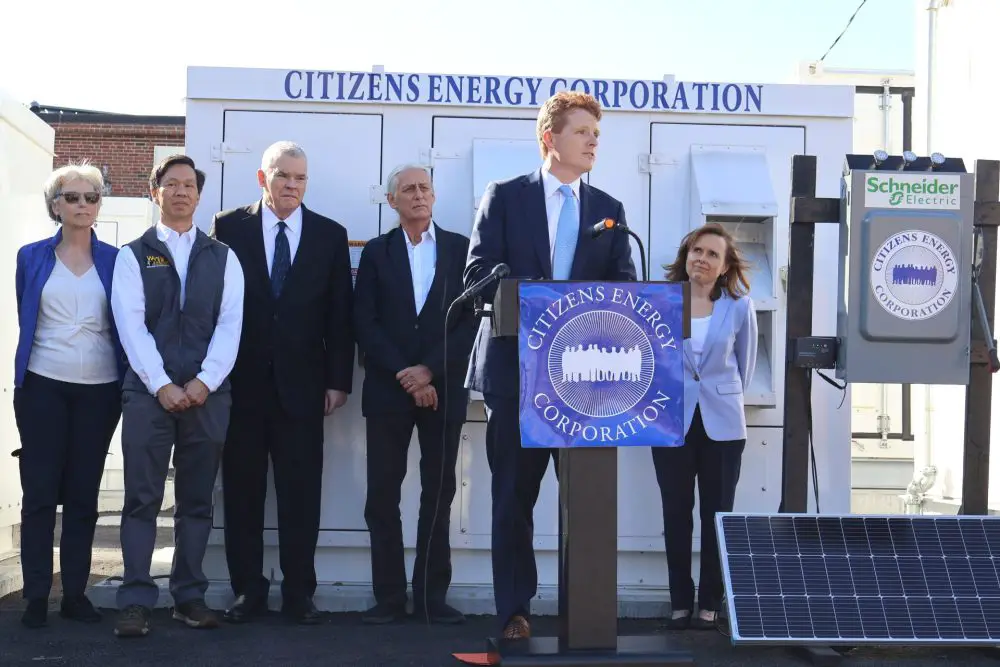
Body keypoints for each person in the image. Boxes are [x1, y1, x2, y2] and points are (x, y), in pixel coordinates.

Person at [464, 91, 636, 639]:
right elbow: (477, 276)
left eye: (596, 134)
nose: (592, 141)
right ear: (550, 138)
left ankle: (579, 611)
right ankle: (514, 610)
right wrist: (529, 292)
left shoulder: (609, 210)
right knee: (513, 497)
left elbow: (625, 288)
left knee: (583, 502)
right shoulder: (505, 197)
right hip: (517, 376)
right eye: (582, 131)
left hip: (585, 383)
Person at [212, 141, 355, 625]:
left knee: (300, 496)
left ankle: (300, 593)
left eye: (300, 178)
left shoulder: (330, 236)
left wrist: (338, 380)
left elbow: (340, 315)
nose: (292, 185)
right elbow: (215, 306)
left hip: (304, 389)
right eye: (283, 177)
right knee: (242, 494)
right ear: (262, 178)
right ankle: (247, 592)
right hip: (240, 388)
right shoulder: (228, 227)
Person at [111, 155, 245, 638]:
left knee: (195, 502)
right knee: (141, 499)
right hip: (149, 396)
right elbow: (131, 325)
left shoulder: (223, 257)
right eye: (172, 184)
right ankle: (135, 600)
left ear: (199, 195)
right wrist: (162, 384)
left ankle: (189, 597)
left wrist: (204, 382)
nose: (181, 191)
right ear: (155, 192)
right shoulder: (134, 254)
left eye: (189, 185)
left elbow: (230, 327)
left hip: (208, 396)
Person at [353, 164, 477, 626]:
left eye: (425, 188)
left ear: (434, 195)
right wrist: (406, 374)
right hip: (388, 390)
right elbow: (365, 322)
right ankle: (387, 599)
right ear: (392, 201)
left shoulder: (461, 251)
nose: (419, 195)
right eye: (409, 189)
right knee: (382, 496)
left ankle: (430, 598)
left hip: (443, 391)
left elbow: (468, 323)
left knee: (438, 493)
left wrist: (429, 371)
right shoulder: (376, 254)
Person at [13, 163, 125, 629]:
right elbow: (26, 312)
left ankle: (75, 594)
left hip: (100, 390)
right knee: (40, 493)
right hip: (42, 384)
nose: (82, 205)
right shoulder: (31, 256)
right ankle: (37, 595)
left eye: (91, 196)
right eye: (72, 197)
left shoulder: (119, 261)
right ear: (55, 205)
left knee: (83, 493)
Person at [653, 222, 756, 630]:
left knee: (718, 515)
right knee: (676, 514)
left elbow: (743, 368)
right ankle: (680, 601)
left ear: (726, 264)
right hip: (671, 422)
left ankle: (710, 603)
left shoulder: (739, 305)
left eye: (713, 254)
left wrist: (720, 396)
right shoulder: (661, 301)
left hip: (723, 426)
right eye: (697, 250)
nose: (703, 258)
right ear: (686, 255)